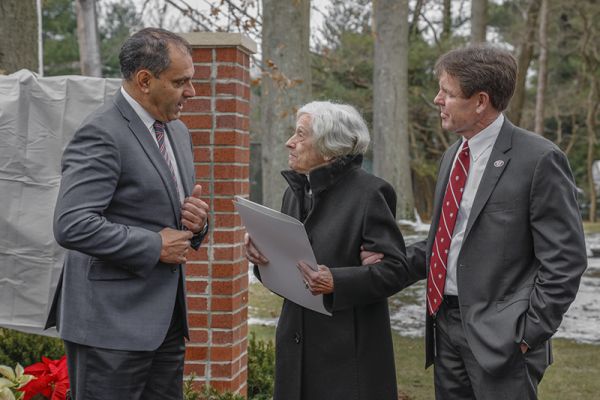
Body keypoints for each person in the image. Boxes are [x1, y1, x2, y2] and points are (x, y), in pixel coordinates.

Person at [362, 45, 587, 399]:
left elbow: (565, 261)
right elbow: (445, 242)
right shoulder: (454, 155)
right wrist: (390, 260)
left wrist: (527, 334)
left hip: (503, 341)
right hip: (445, 329)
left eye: (447, 93)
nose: (437, 100)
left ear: (480, 101)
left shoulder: (540, 159)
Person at [45, 28, 209, 400]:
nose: (191, 92)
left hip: (165, 323)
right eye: (181, 81)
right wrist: (154, 245)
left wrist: (198, 222)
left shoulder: (178, 132)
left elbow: (169, 212)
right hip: (108, 328)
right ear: (145, 80)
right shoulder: (102, 132)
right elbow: (72, 224)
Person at [244, 101, 418, 400]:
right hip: (295, 347)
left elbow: (395, 271)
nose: (290, 142)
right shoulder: (294, 191)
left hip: (346, 358)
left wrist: (336, 281)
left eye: (300, 134)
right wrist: (263, 259)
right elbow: (294, 272)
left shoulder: (370, 193)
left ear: (328, 147)